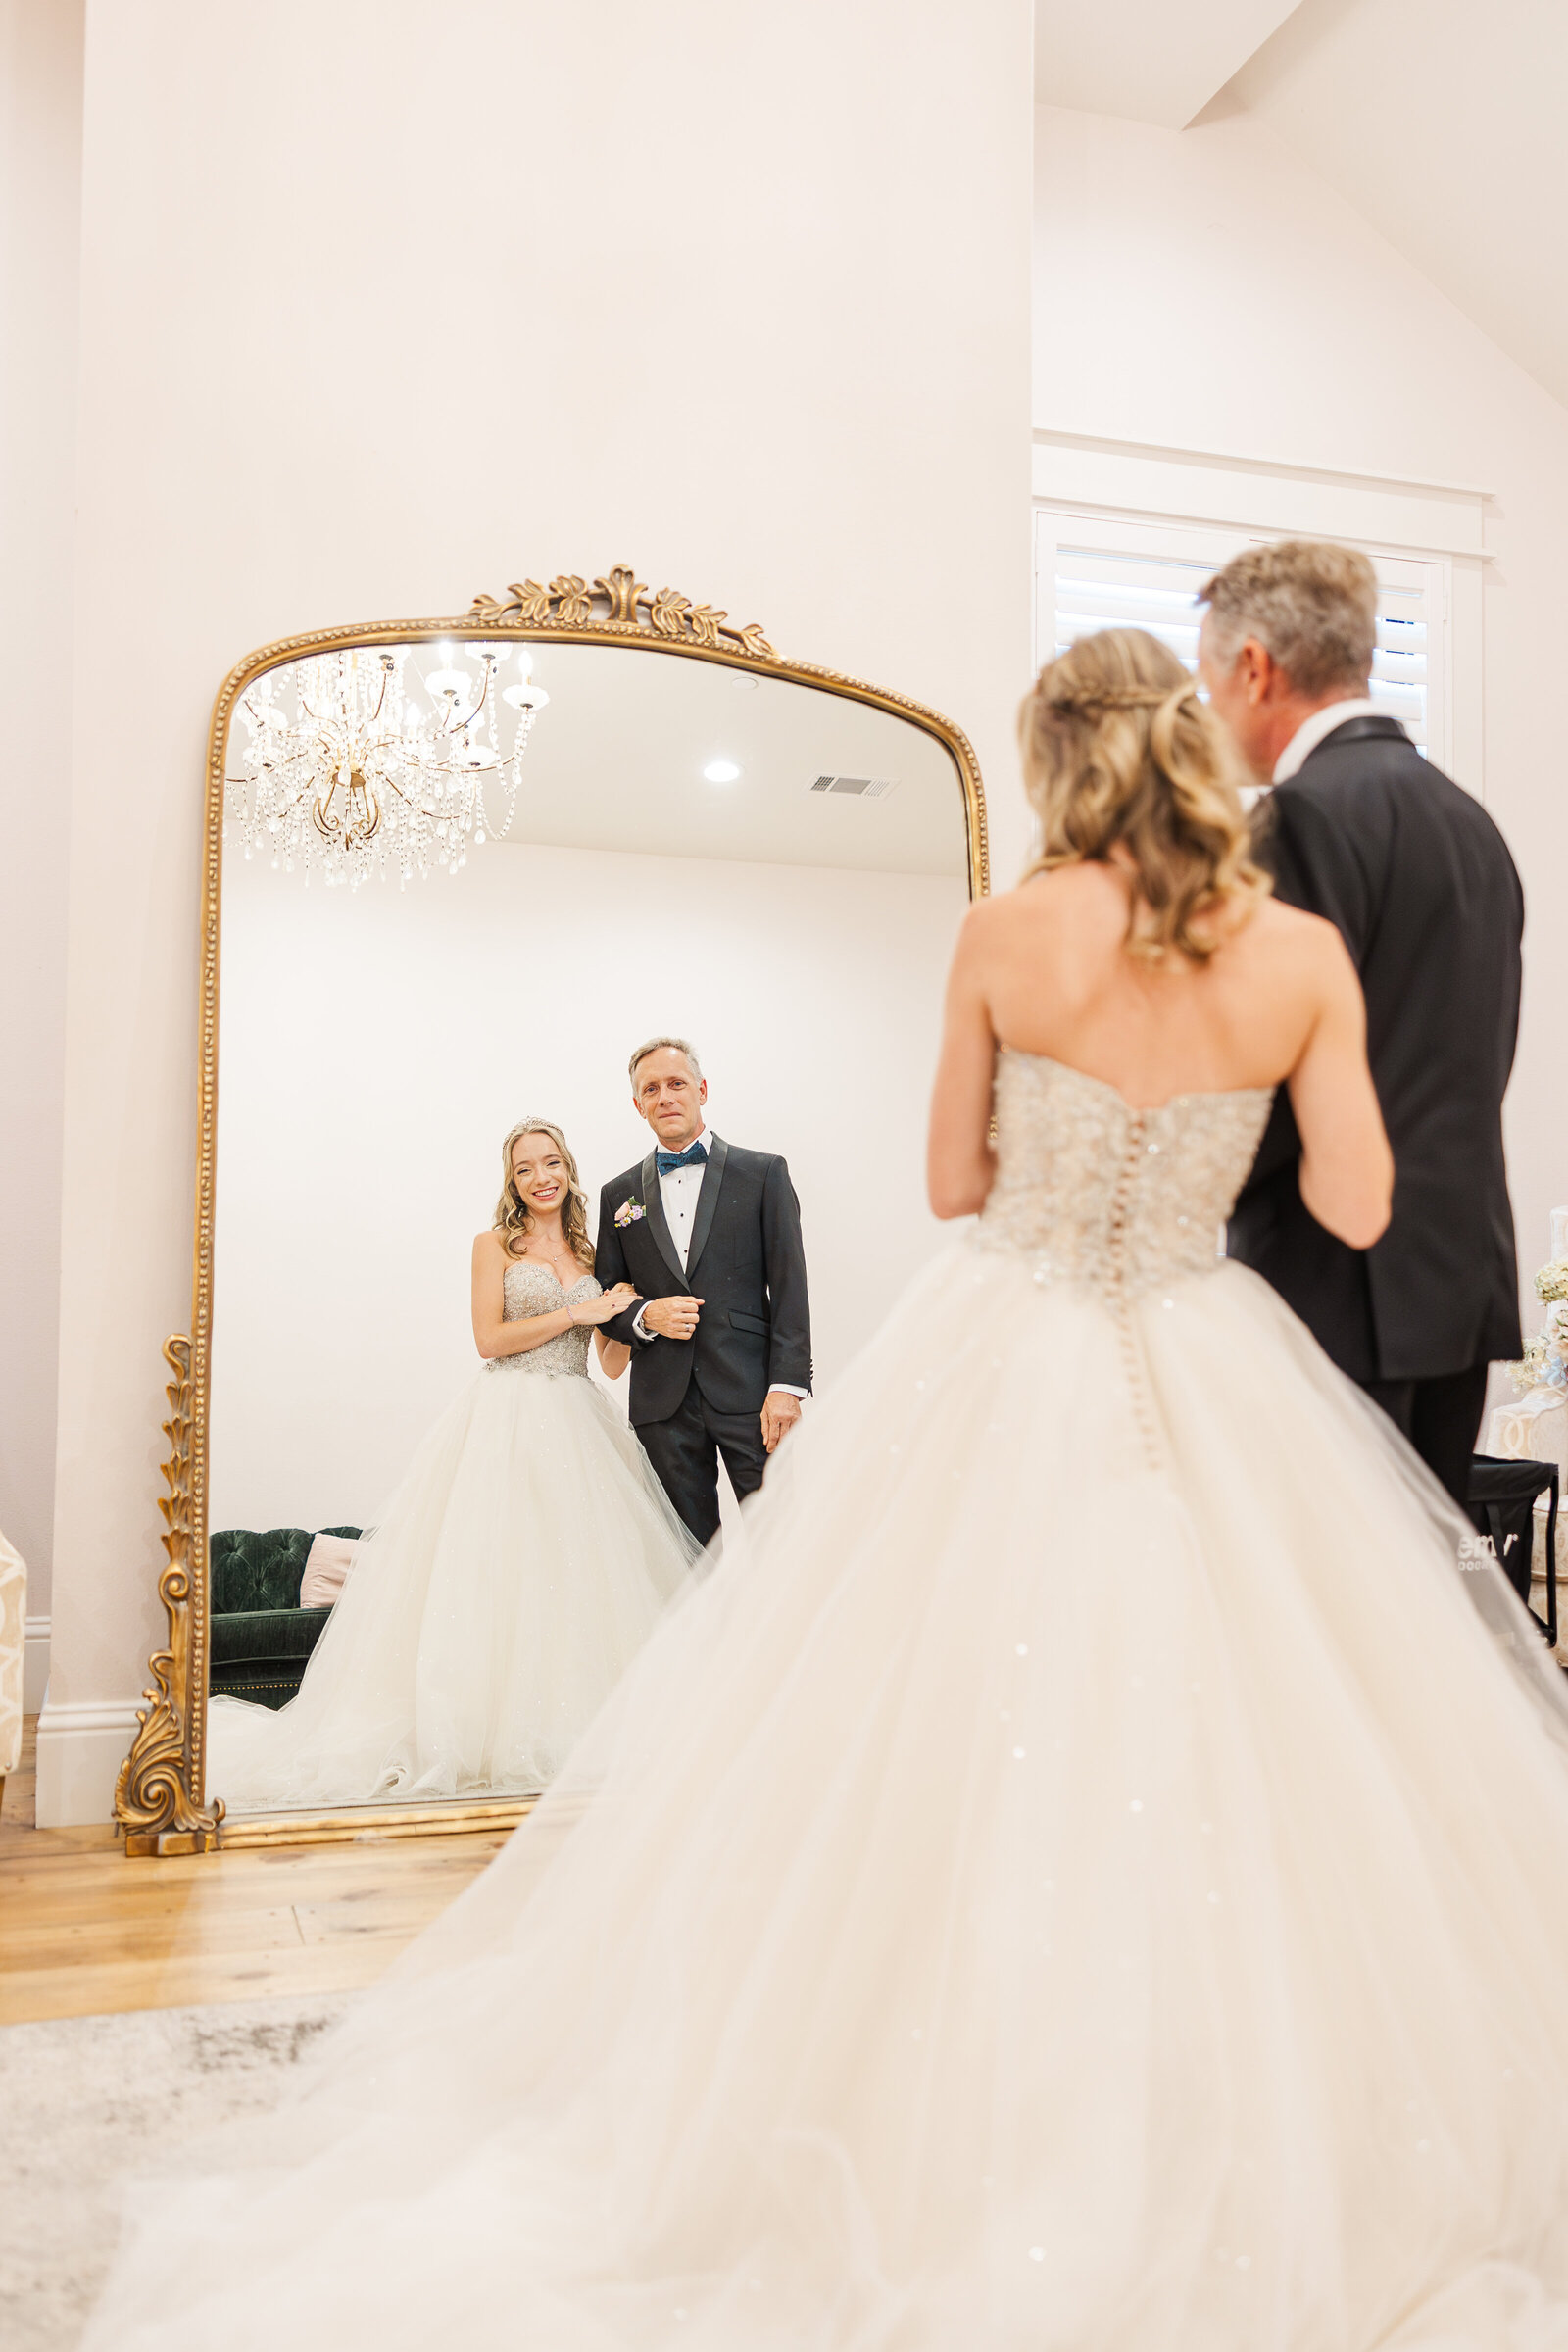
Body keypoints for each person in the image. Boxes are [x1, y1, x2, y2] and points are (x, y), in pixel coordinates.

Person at [88, 632, 1568, 2351]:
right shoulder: (1299, 952)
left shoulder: (1006, 933)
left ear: (1053, 766)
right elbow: (1369, 1204)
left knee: (915, 1721)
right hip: (1212, 1346)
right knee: (1277, 1708)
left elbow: (956, 1180)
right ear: (1191, 752)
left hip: (1017, 1341)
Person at [205, 1120, 698, 1811]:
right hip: (507, 1418)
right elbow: (489, 1339)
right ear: (512, 1180)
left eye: (550, 1163)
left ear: (568, 1168)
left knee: (577, 1577)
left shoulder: (594, 1248)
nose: (540, 1177)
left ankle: (573, 1722)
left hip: (580, 1419)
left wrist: (632, 1317)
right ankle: (481, 1732)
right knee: (496, 1577)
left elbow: (609, 1360)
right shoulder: (493, 1245)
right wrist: (578, 1310)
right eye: (525, 1169)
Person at [1199, 539, 1524, 1502]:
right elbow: (1474, 1061)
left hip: (1331, 1285)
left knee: (1315, 1616)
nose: (1208, 708)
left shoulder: (1295, 821)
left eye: (1208, 677)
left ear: (1254, 667)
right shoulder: (1472, 825)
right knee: (1407, 1604)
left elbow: (1270, 1077)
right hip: (1458, 1284)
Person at [593, 1036, 812, 1544]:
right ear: (637, 1104)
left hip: (752, 1396)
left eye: (676, 1083)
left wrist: (787, 1387)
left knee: (780, 1542)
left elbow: (791, 1287)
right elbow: (605, 1302)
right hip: (661, 1405)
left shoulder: (763, 1174)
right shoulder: (617, 1195)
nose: (666, 1096)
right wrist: (647, 1316)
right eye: (652, 1088)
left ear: (702, 1090)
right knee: (686, 1560)